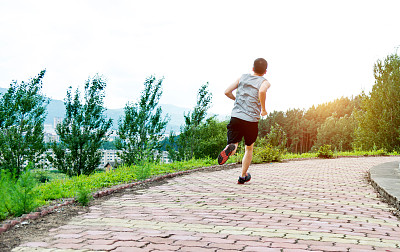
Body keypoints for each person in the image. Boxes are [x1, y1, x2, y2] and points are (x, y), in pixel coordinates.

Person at [218, 58, 271, 184]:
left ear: (252, 68)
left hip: (236, 116)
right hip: (251, 120)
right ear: (265, 71)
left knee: (234, 142)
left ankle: (230, 147)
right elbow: (262, 90)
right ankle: (243, 176)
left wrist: (237, 100)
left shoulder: (242, 77)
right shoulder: (264, 81)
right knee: (248, 148)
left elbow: (226, 92)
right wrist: (263, 109)